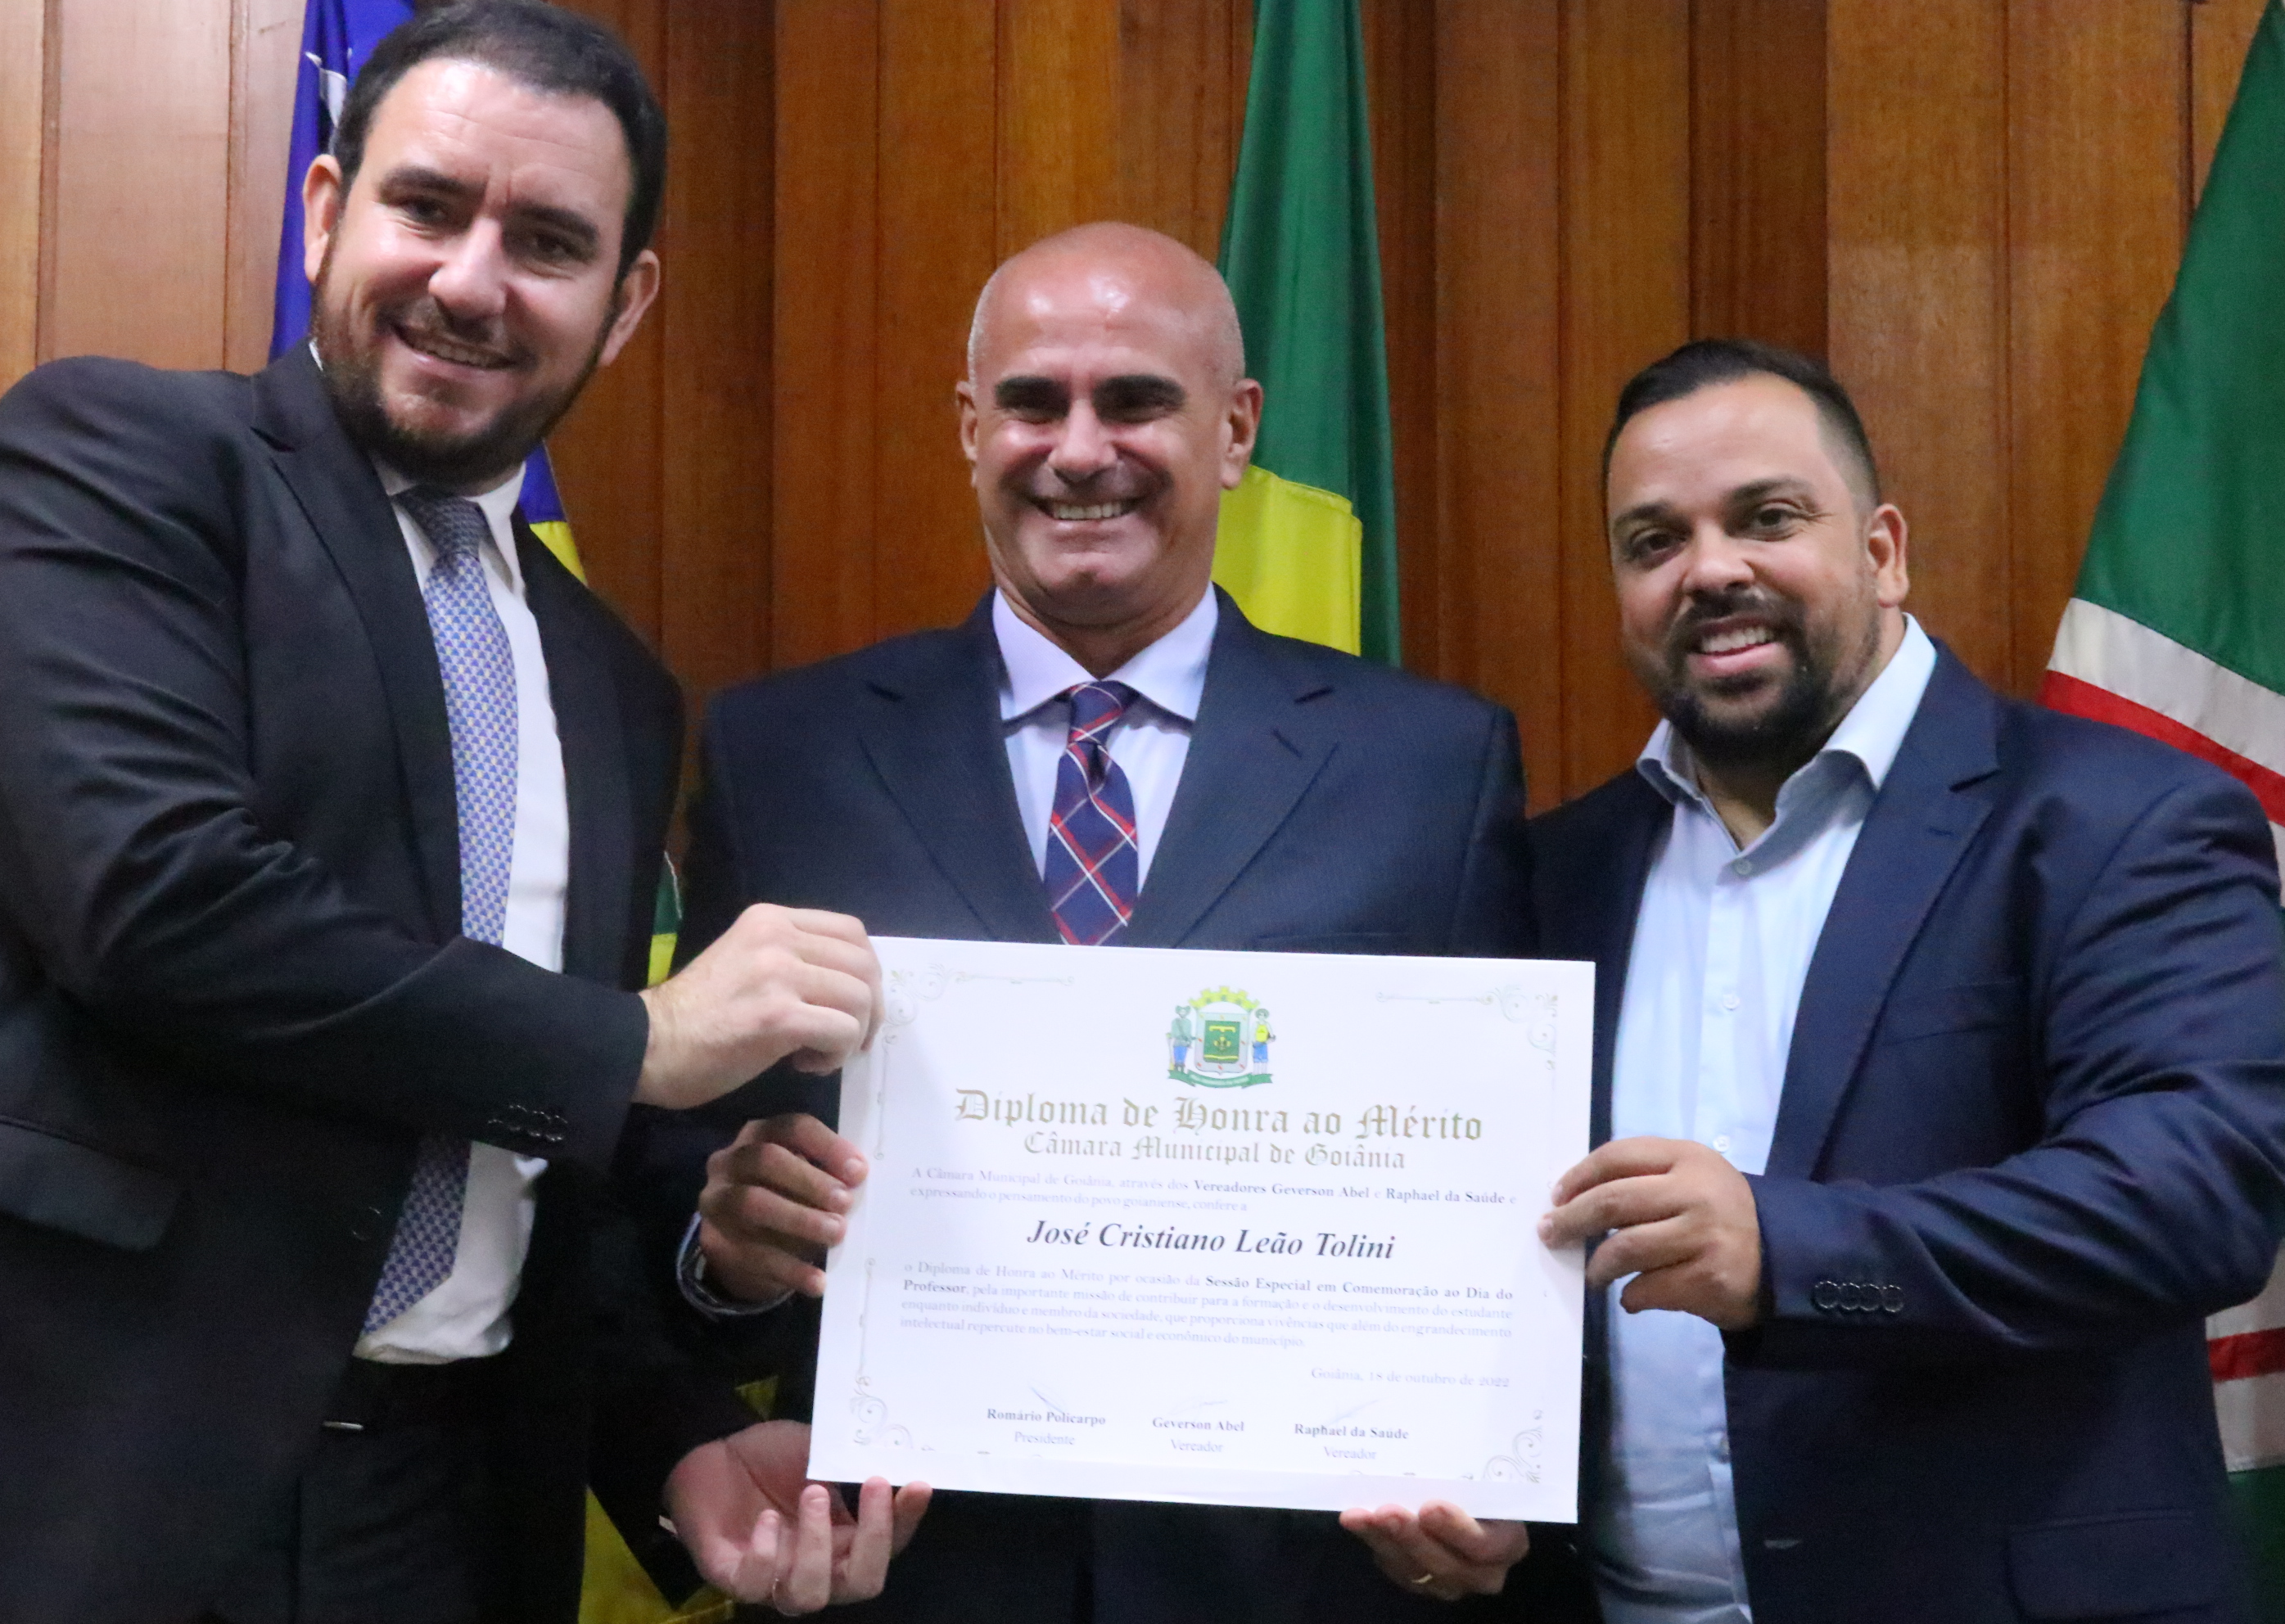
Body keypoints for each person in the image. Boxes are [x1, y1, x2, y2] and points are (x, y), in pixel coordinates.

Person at [0, 6, 919, 1621]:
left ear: (626, 303)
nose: (472, 281)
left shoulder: (615, 690)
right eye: (428, 207)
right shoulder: (117, 461)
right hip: (63, 1486)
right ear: (323, 211)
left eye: (549, 242)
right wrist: (638, 1041)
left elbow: (527, 1165)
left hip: (442, 1520)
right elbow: (152, 905)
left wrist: (679, 1438)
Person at [624, 221, 1574, 1621]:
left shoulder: (1430, 770)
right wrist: (722, 1263)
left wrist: (1500, 1475)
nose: (1079, 451)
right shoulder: (789, 755)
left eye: (1135, 401)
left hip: (1293, 1586)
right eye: (1032, 402)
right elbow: (672, 1170)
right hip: (915, 1581)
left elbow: (1503, 1198)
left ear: (1235, 431)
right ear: (970, 428)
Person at [1506, 339, 2285, 1622]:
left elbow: (2190, 1203)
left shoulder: (2115, 825)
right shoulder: (1551, 875)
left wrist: (1795, 1260)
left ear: (1882, 553)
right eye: (1654, 542)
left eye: (1767, 518)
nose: (1711, 570)